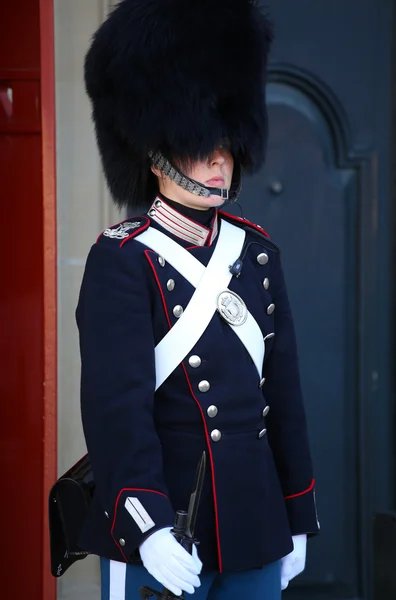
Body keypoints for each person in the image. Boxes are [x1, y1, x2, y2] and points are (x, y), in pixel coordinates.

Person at [76, 1, 320, 598]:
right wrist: (148, 525)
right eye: (197, 142)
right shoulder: (123, 258)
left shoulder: (256, 251)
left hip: (256, 527)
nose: (218, 158)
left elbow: (281, 397)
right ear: (153, 149)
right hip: (166, 530)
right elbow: (117, 411)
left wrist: (298, 516)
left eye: (226, 142)